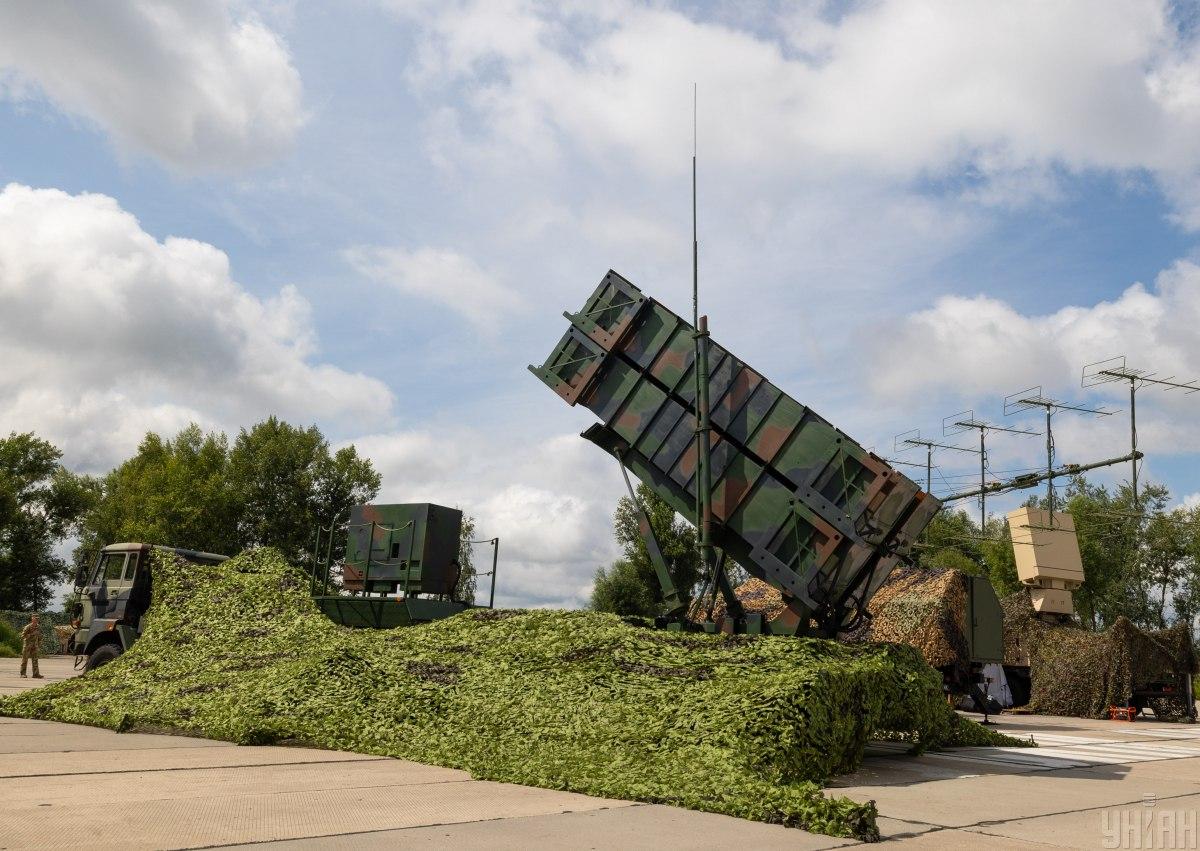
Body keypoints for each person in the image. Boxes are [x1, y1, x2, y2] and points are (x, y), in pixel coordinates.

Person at [20, 613, 42, 679]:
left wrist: (39, 644)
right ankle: (23, 674)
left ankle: (36, 674)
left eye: (38, 619)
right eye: (35, 618)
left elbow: (40, 636)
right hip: (27, 646)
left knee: (35, 660)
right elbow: (22, 636)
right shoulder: (28, 627)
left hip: (34, 646)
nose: (37, 620)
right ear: (32, 619)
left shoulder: (38, 627)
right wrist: (31, 634)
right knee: (24, 660)